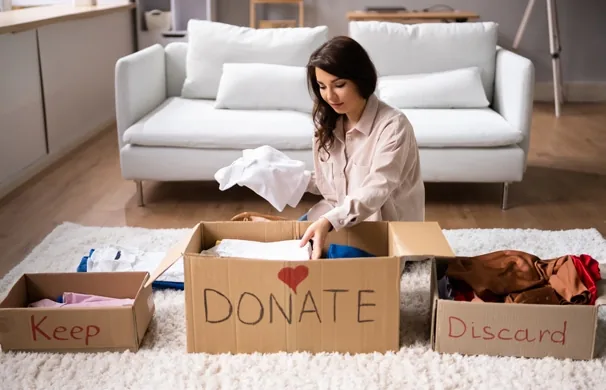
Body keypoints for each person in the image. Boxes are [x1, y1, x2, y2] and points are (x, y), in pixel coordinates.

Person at [298, 36, 425, 259]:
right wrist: (286, 177)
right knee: (292, 240)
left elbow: (377, 189)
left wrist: (329, 221)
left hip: (382, 231)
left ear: (361, 80)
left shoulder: (393, 126)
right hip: (342, 219)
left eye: (339, 85)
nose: (329, 96)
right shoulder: (328, 122)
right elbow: (331, 186)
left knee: (322, 257)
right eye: (321, 86)